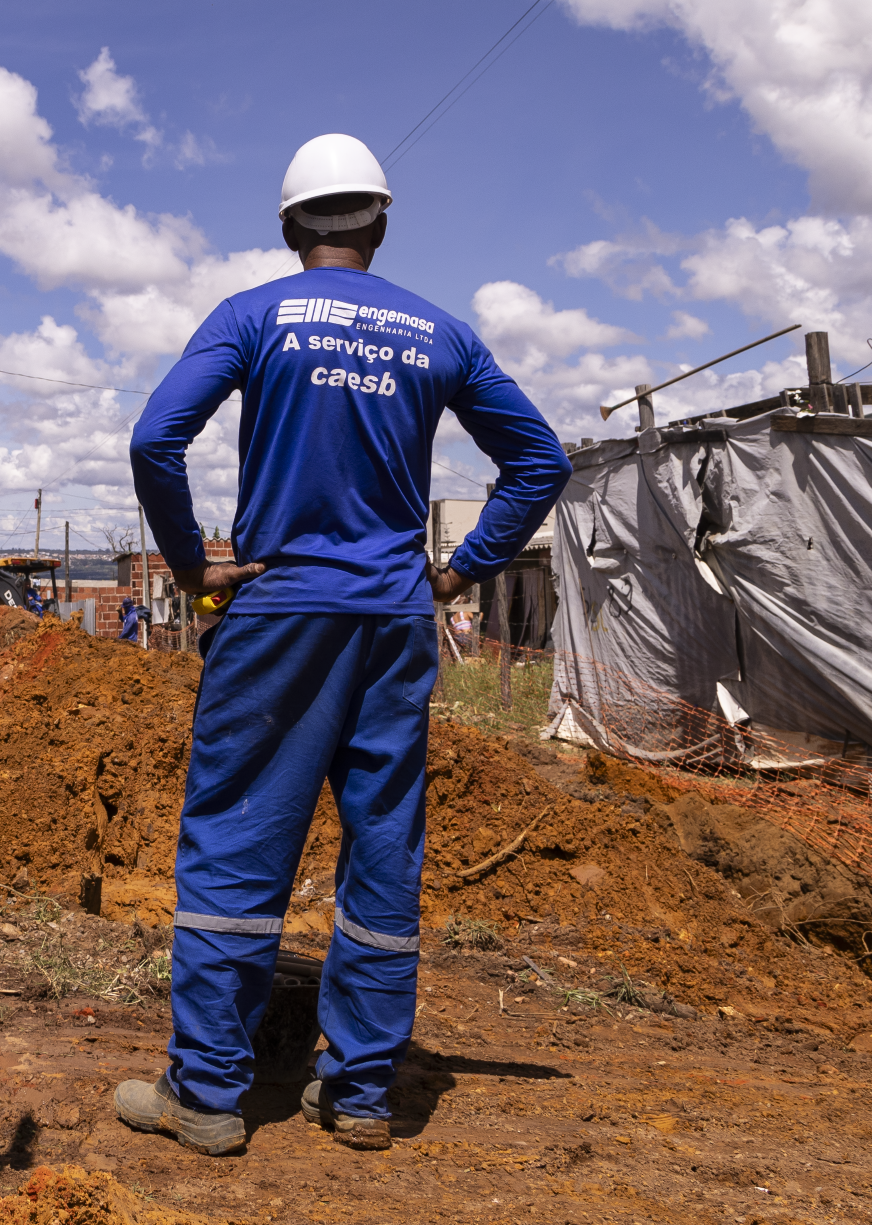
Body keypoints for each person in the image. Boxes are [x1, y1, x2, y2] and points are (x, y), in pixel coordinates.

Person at [117, 133, 568, 1156]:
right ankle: (361, 1093)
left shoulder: (252, 316)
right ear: (380, 223)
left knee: (237, 838)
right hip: (393, 622)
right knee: (382, 845)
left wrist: (191, 567)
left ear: (289, 228)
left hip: (279, 614)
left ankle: (208, 1095)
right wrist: (457, 572)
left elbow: (155, 438)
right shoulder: (441, 334)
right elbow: (540, 462)